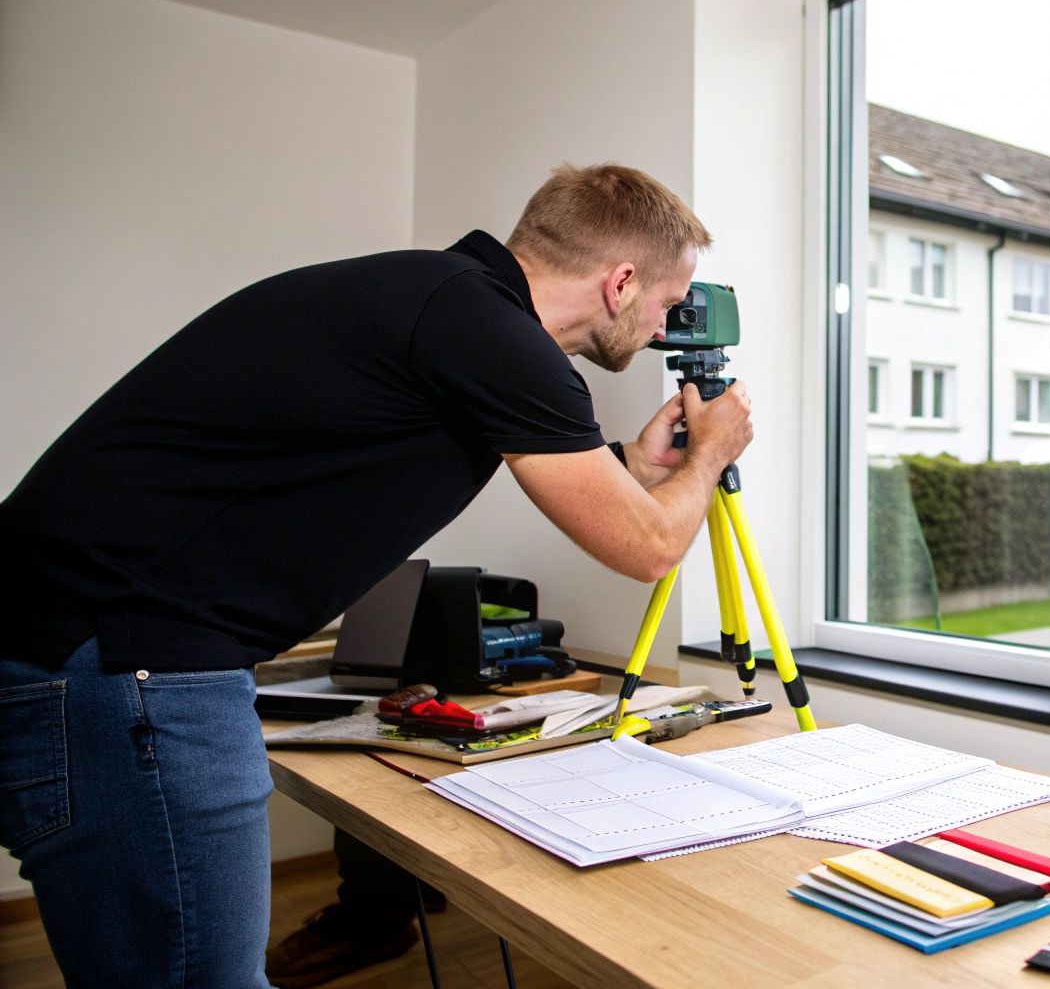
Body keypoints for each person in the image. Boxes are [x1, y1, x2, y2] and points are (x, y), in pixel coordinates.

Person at [0, 163, 750, 988]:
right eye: (666, 302)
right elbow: (648, 549)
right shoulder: (492, 335)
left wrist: (635, 467)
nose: (662, 329)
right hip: (123, 665)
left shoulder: (443, 301)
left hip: (74, 650)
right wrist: (711, 453)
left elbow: (572, 480)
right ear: (620, 282)